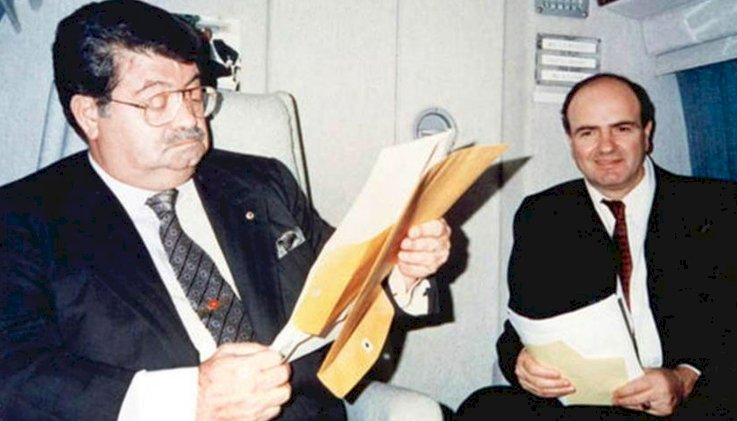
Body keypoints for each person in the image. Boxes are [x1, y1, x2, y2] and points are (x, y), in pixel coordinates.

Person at [0, 1, 452, 420]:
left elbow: (346, 285)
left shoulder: (261, 183)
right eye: (157, 100)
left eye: (194, 93)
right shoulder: (24, 220)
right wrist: (189, 398)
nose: (189, 119)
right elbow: (16, 373)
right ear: (89, 114)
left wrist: (402, 269)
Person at [457, 73, 737, 419]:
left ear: (647, 133)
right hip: (589, 403)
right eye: (588, 132)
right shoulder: (543, 216)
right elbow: (519, 330)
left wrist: (684, 379)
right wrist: (521, 363)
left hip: (692, 402)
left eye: (622, 129)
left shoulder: (723, 207)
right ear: (571, 141)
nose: (606, 147)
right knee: (483, 407)